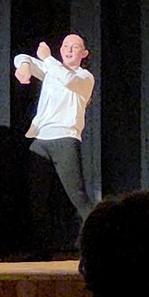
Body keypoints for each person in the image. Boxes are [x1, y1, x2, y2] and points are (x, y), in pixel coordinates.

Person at [14, 35, 96, 251]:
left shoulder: (84, 77)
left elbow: (66, 78)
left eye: (75, 47)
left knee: (77, 195)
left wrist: (47, 58)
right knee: (37, 197)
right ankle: (41, 248)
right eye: (66, 46)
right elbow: (22, 58)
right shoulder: (51, 69)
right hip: (41, 139)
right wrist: (24, 66)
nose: (69, 50)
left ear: (84, 53)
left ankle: (98, 242)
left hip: (65, 139)